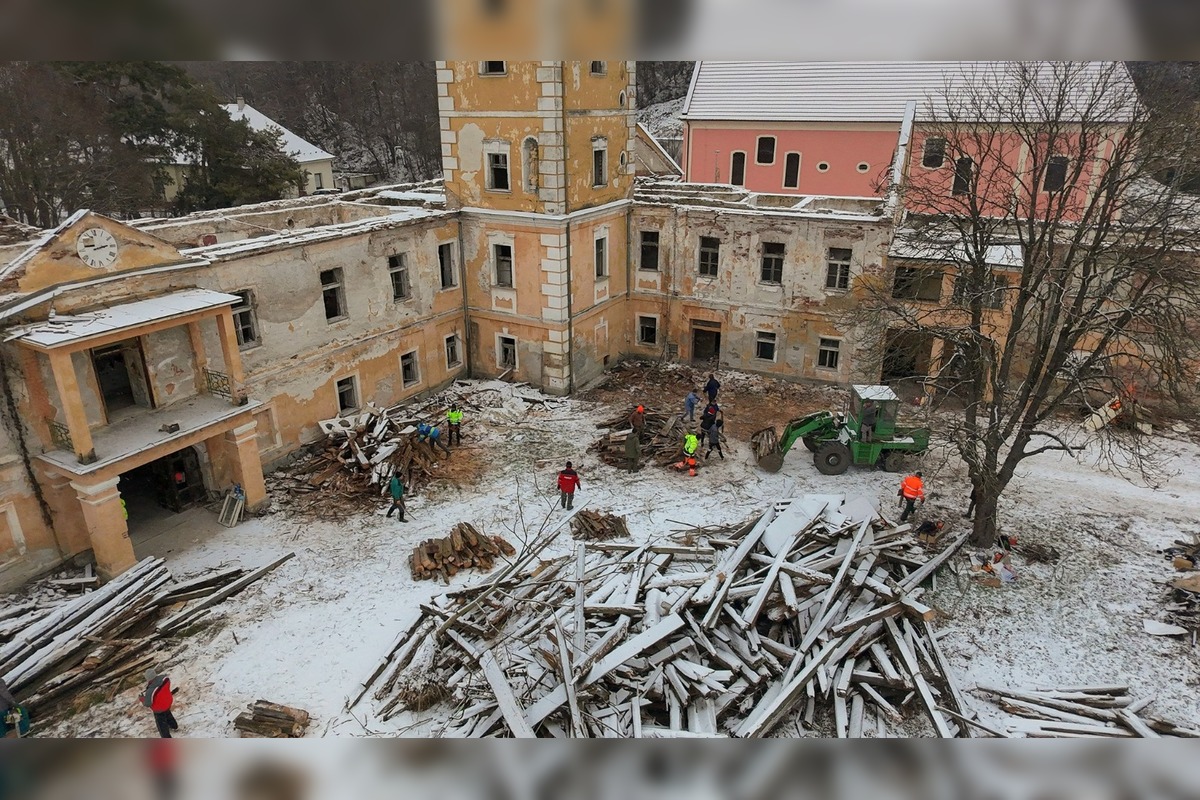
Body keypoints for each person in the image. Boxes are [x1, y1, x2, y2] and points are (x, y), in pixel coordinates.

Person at [139, 668, 179, 738]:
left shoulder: (151, 691)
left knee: (162, 725)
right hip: (167, 701)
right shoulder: (165, 679)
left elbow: (147, 703)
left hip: (159, 709)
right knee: (167, 713)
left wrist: (142, 699)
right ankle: (174, 726)